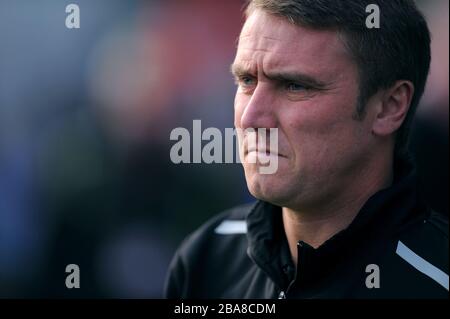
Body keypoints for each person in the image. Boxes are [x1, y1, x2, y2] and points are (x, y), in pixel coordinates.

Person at [164, 0, 448, 298]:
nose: (250, 118)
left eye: (294, 86)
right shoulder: (206, 259)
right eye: (247, 80)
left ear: (389, 107)